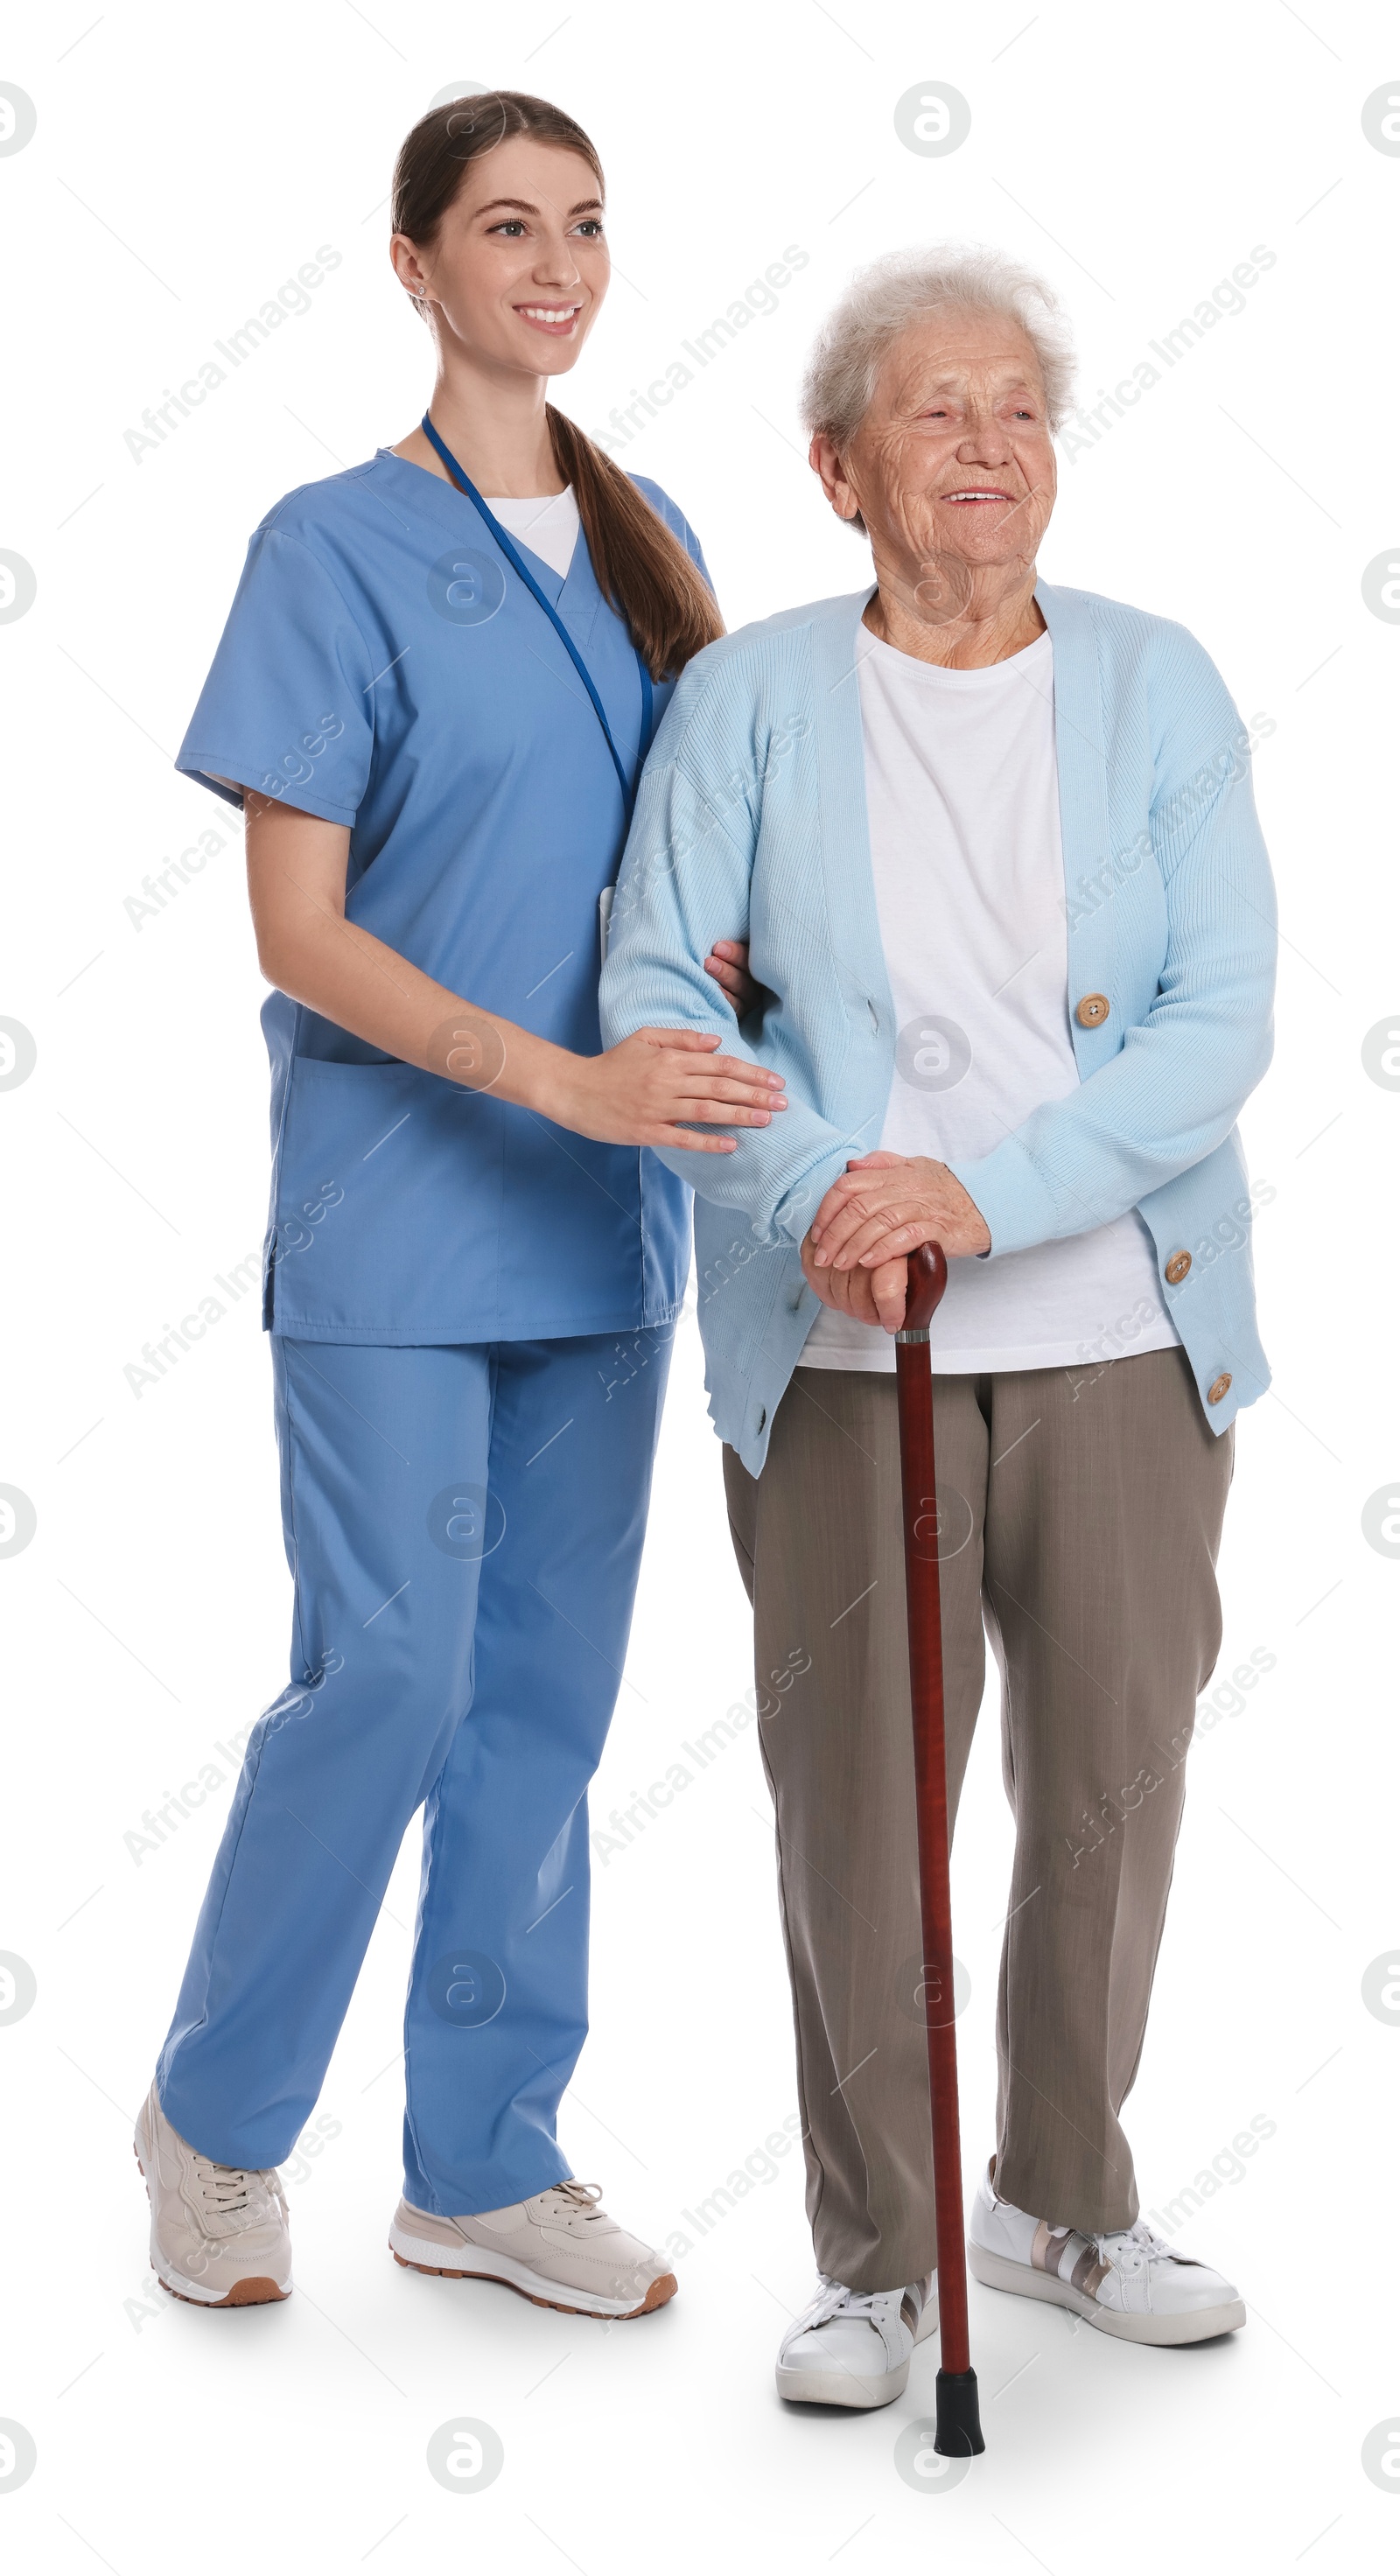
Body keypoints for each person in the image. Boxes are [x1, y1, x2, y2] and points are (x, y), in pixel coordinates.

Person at [600, 245, 1276, 2405]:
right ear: (835, 467)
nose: (985, 444)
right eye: (932, 410)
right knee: (852, 1811)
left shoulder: (1158, 683)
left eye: (1017, 409)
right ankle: (878, 2254)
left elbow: (1217, 1021)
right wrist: (818, 1189)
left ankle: (1062, 2192)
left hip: (1109, 1334)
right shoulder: (750, 696)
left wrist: (977, 1192)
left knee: (1105, 1792)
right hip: (835, 1353)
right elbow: (652, 992)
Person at [135, 89, 784, 2320]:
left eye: (585, 225)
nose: (556, 265)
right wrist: (562, 1081)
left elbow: (705, 878)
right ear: (413, 264)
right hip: (404, 1217)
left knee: (538, 1703)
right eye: (506, 227)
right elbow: (296, 932)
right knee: (389, 1675)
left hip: (611, 1231)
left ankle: (481, 2160)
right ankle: (218, 2124)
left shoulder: (652, 528)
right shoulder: (326, 546)